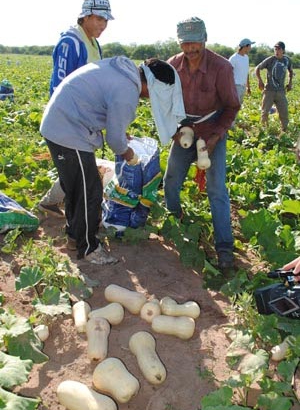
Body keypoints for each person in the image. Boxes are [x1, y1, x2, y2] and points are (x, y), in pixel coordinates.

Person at [40, 56, 184, 265]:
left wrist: (121, 137)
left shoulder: (124, 73)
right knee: (89, 192)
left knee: (76, 187)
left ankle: (74, 236)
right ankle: (88, 248)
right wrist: (130, 155)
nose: (150, 98)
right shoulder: (127, 90)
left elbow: (102, 107)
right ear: (152, 84)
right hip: (68, 131)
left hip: (63, 123)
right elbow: (115, 140)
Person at [163, 17, 240, 272]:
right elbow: (164, 103)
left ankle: (225, 248)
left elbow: (231, 107)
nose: (190, 49)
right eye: (185, 43)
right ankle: (176, 223)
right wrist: (175, 130)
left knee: (217, 189)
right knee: (171, 181)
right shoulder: (173, 65)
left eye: (195, 43)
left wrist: (216, 136)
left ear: (204, 39)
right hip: (185, 130)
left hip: (212, 130)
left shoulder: (222, 68)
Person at [38, 0, 114, 218]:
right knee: (81, 169)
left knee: (79, 167)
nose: (103, 25)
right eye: (99, 19)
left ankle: (49, 203)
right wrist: (70, 121)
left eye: (106, 21)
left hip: (85, 118)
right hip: (70, 120)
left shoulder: (93, 43)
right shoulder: (70, 42)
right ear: (86, 16)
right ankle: (78, 228)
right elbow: (58, 85)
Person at [255, 41, 293, 132]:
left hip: (281, 91)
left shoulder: (287, 60)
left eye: (278, 49)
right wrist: (260, 81)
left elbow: (291, 71)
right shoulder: (270, 59)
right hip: (269, 91)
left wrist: (290, 82)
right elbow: (257, 68)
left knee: (284, 112)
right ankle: (264, 131)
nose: (276, 51)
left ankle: (284, 131)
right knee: (265, 112)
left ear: (283, 50)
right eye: (275, 49)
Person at [229, 38, 255, 104]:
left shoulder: (246, 58)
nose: (250, 48)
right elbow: (228, 73)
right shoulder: (234, 58)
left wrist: (248, 87)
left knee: (238, 107)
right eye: (250, 46)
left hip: (243, 87)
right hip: (235, 86)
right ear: (245, 46)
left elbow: (246, 73)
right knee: (233, 107)